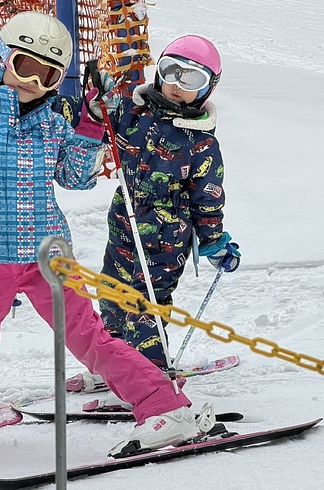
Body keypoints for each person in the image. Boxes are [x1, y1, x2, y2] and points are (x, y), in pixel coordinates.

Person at [0, 12, 212, 461]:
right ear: (1, 60)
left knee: (88, 338)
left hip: (48, 255)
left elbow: (76, 178)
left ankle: (163, 406)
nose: (33, 80)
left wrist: (93, 122)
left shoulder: (55, 124)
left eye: (47, 73)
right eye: (24, 66)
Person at [68, 35, 241, 395]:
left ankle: (152, 380)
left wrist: (214, 243)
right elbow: (104, 120)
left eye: (191, 79)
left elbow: (207, 200)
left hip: (167, 236)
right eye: (171, 72)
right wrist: (97, 101)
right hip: (124, 220)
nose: (177, 85)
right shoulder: (134, 112)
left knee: (143, 304)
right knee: (112, 293)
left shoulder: (202, 143)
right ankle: (114, 365)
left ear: (208, 88)